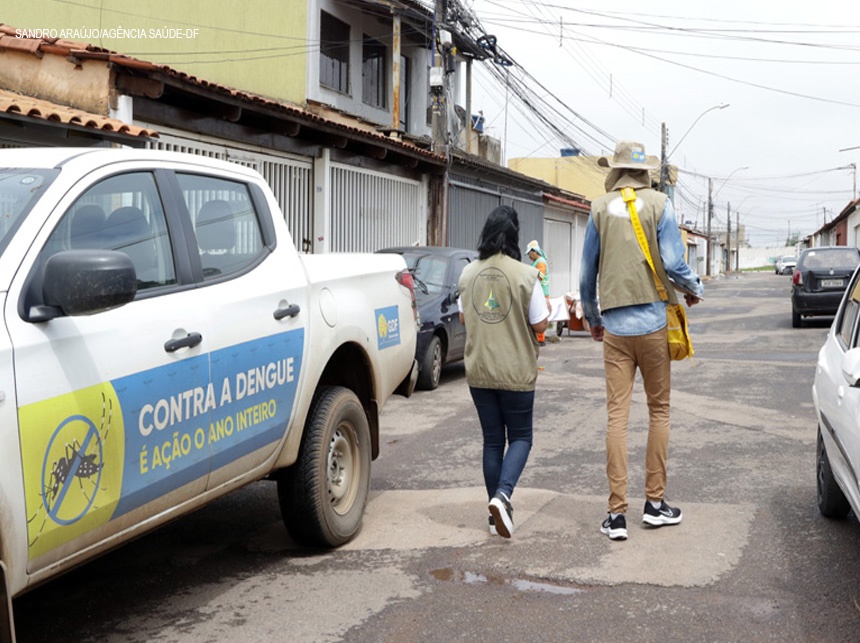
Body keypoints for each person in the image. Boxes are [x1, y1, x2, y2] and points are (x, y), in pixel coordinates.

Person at [579, 140, 703, 542]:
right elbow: (672, 262)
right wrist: (692, 287)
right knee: (659, 412)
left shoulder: (598, 209)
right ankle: (654, 505)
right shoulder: (660, 205)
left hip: (615, 329)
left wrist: (594, 319)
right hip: (653, 324)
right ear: (645, 172)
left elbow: (586, 275)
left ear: (614, 171)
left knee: (617, 417)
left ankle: (616, 515)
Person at [458, 206, 549, 538]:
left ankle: (494, 510)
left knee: (493, 441)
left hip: (479, 371)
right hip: (515, 372)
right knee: (522, 437)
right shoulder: (526, 274)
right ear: (514, 235)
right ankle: (502, 495)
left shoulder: (468, 274)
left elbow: (466, 318)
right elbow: (540, 322)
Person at [526, 240, 551, 345]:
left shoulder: (540, 261)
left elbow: (540, 275)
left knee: (539, 315)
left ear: (533, 252)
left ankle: (540, 339)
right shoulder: (538, 261)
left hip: (542, 293)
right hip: (540, 292)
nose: (529, 256)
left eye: (529, 254)